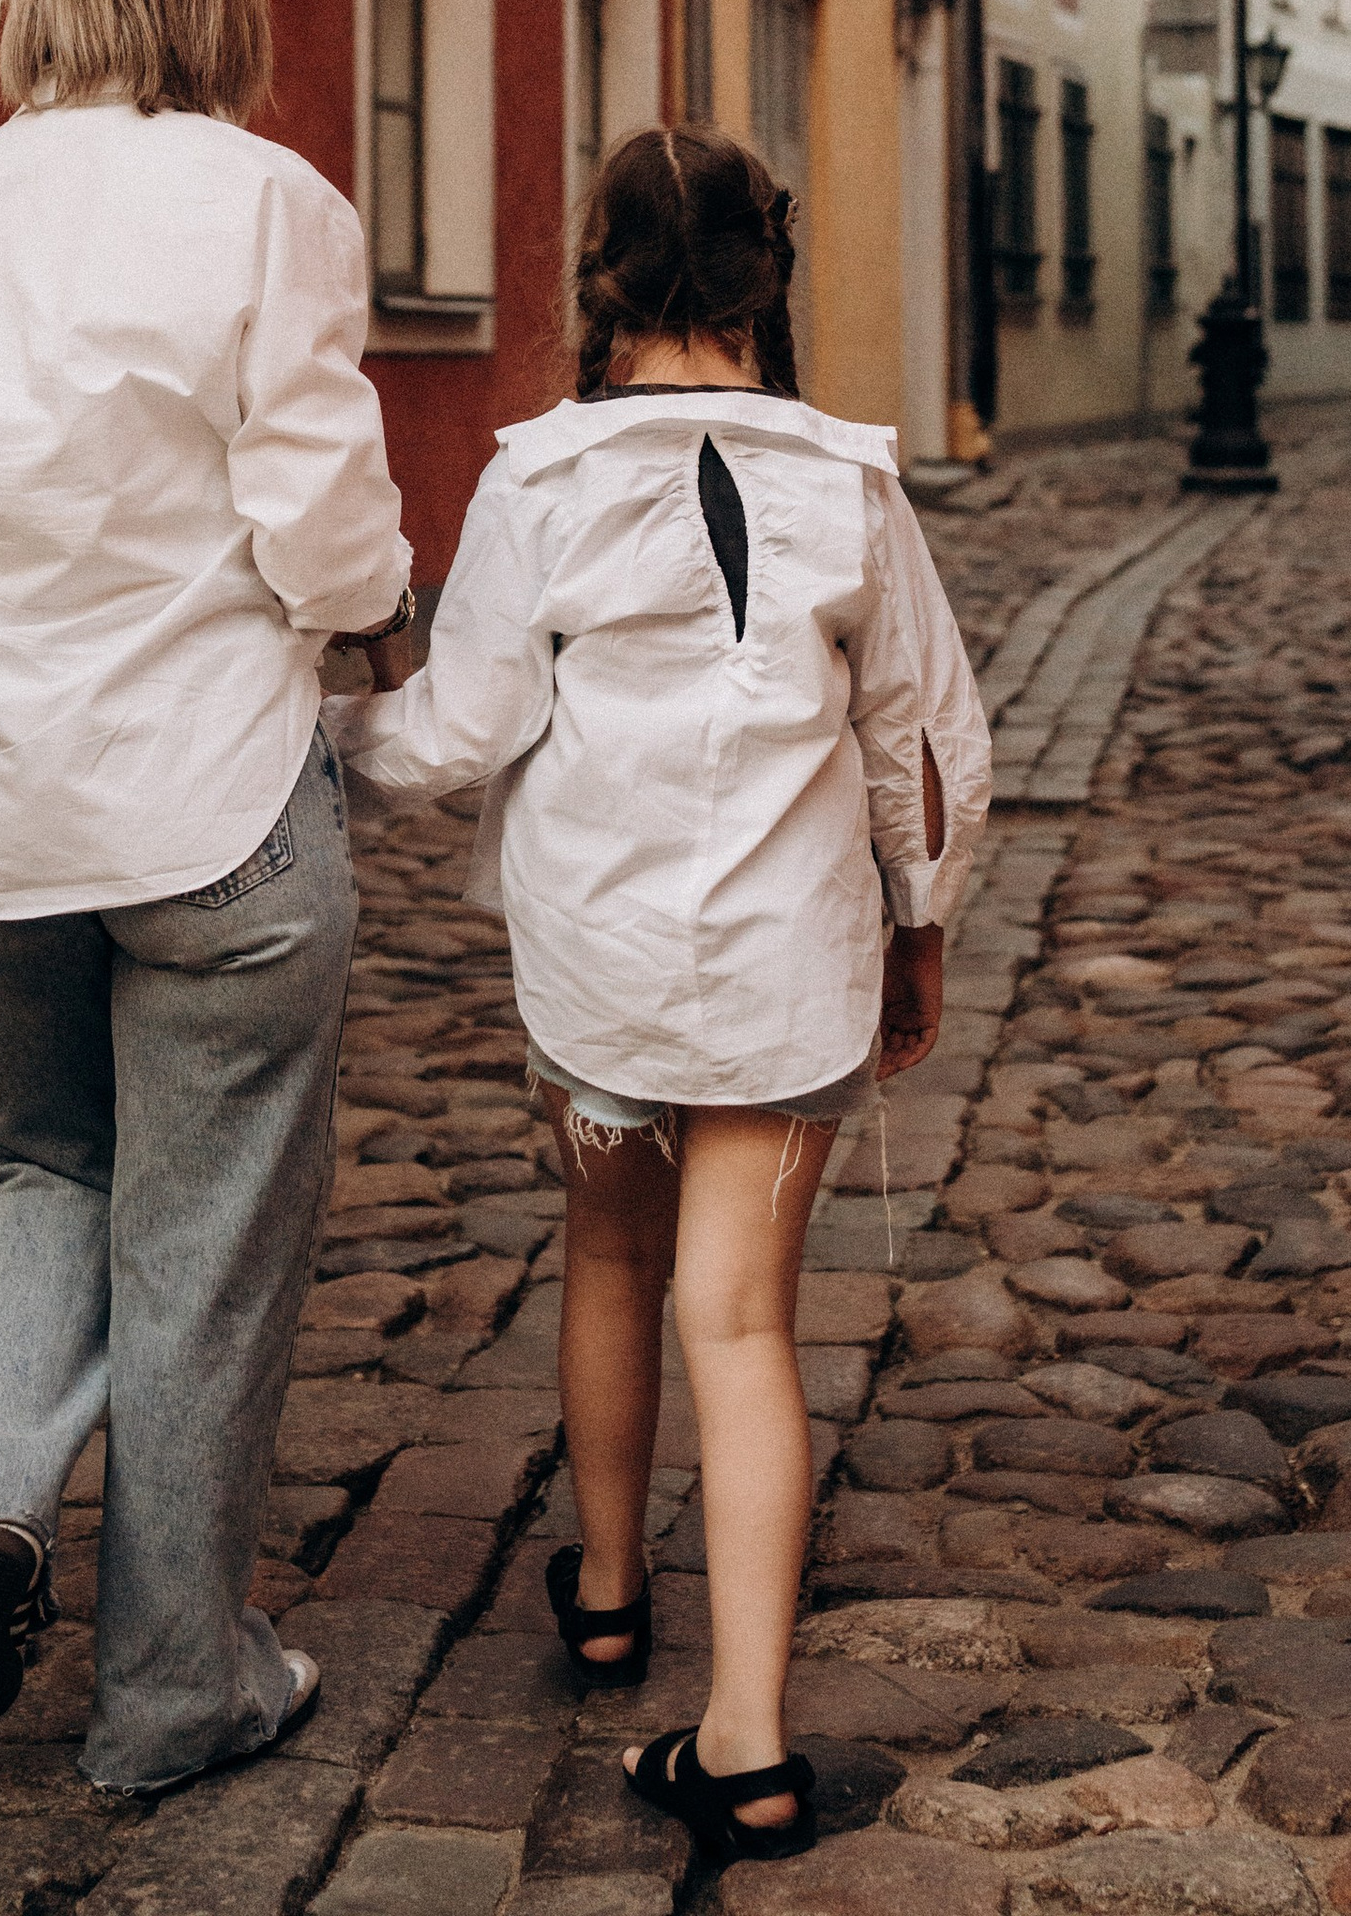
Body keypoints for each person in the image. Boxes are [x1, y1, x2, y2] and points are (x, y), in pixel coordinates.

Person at [325, 124, 991, 1867]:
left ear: (597, 283)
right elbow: (925, 741)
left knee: (608, 1254)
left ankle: (610, 1594)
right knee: (748, 1322)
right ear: (767, 284)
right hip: (788, 969)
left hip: (601, 969)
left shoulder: (540, 481)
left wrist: (326, 736)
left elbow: (460, 730)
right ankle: (750, 1737)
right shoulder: (851, 483)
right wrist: (921, 923)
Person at [0, 0, 416, 1797]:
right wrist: (377, 619)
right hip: (210, 814)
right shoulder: (265, 201)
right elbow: (326, 534)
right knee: (199, 1247)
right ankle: (176, 1684)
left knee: (37, 1163)